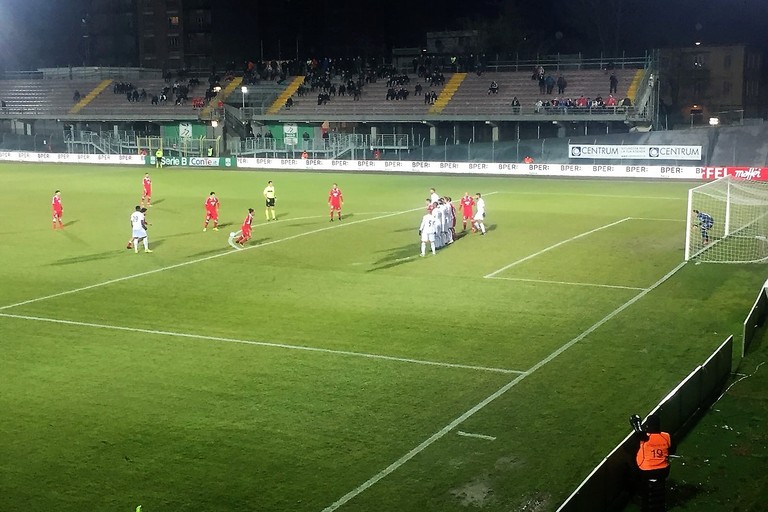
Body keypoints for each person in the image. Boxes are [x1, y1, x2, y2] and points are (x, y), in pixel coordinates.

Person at [630, 413, 673, 512]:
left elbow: (639, 434)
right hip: (664, 471)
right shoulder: (666, 436)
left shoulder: (645, 437)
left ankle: (639, 495)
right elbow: (672, 450)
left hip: (646, 471)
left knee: (633, 471)